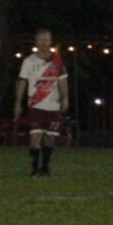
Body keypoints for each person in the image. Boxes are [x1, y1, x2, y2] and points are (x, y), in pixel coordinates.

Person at [13, 28, 68, 177]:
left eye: (46, 39)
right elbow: (22, 82)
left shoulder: (57, 62)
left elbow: (62, 81)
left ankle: (45, 167)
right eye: (41, 40)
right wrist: (18, 102)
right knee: (35, 137)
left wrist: (65, 98)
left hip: (53, 105)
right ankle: (34, 169)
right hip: (35, 104)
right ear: (36, 42)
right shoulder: (28, 61)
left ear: (50, 42)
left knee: (49, 138)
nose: (44, 43)